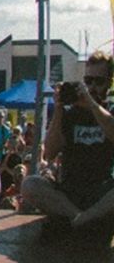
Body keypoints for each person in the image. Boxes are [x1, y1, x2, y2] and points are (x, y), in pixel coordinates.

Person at [22, 51, 114, 241]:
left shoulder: (109, 112)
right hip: (70, 192)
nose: (92, 87)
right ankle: (82, 219)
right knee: (30, 184)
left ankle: (83, 219)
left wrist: (92, 105)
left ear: (109, 83)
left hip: (101, 192)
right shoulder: (70, 114)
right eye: (88, 81)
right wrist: (58, 109)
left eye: (98, 82)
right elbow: (50, 152)